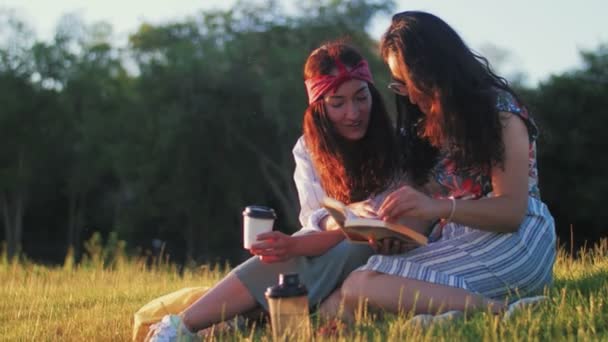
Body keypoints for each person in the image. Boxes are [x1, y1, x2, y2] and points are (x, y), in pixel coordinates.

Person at [145, 41, 423, 341]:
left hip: (388, 252)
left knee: (347, 246)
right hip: (333, 244)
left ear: (373, 94)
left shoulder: (399, 143)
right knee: (289, 252)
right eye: (337, 102)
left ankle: (248, 313)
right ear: (319, 106)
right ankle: (180, 326)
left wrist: (301, 244)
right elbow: (316, 218)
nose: (353, 113)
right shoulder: (308, 149)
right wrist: (344, 217)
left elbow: (394, 223)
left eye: (361, 97)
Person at [318, 11, 557, 323]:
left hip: (514, 241)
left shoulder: (500, 113)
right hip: (460, 239)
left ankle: (499, 312)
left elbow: (511, 213)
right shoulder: (428, 124)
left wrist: (435, 207)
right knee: (334, 305)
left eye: (406, 83)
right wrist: (398, 233)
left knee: (361, 285)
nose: (406, 95)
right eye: (398, 85)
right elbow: (426, 207)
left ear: (432, 74)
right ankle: (457, 311)